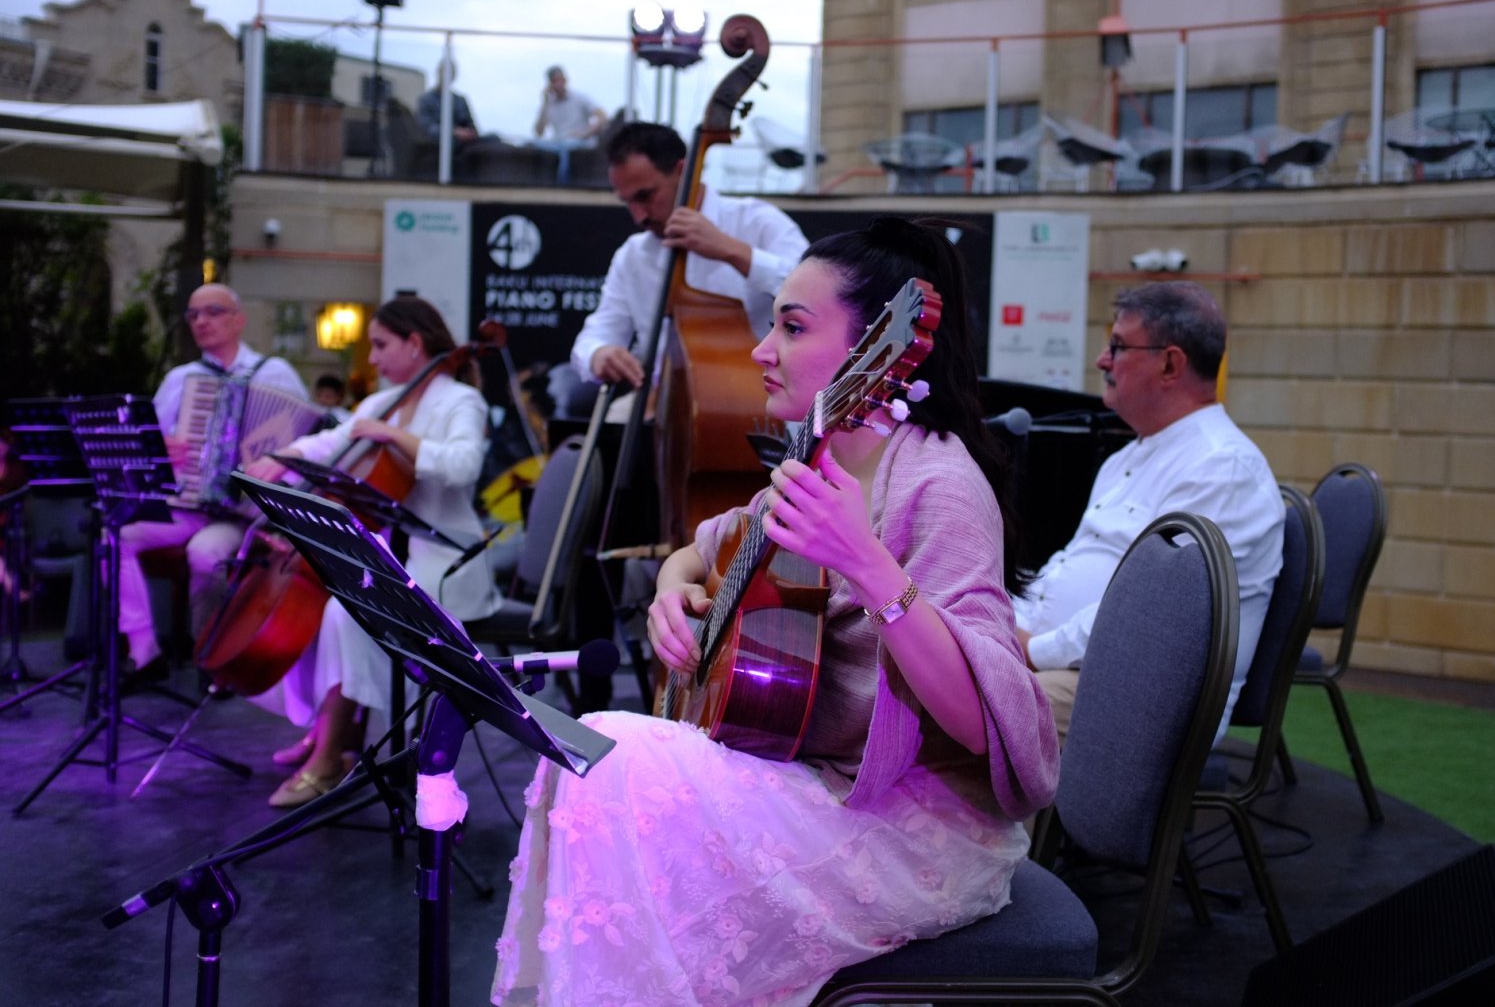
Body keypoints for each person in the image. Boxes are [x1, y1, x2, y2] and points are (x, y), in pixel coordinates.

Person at [492, 218, 1058, 1007]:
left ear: (877, 351)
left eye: (792, 327)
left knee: (614, 752)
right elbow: (701, 549)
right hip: (817, 785)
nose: (762, 350)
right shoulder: (815, 463)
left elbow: (982, 720)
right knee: (591, 757)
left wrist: (868, 562)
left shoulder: (941, 486)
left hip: (920, 831)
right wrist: (671, 592)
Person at [244, 296, 501, 807]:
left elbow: (463, 465)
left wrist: (394, 436)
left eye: (381, 345)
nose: (374, 358)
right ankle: (330, 734)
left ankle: (331, 753)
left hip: (445, 562)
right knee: (330, 598)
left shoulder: (461, 401)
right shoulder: (379, 403)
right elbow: (335, 442)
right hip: (391, 555)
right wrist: (283, 456)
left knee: (349, 610)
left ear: (414, 343)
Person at [1016, 280, 1284, 743]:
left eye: (1118, 346)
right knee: (930, 663)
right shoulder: (1131, 456)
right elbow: (1072, 568)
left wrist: (1033, 650)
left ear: (1170, 363)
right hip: (1077, 670)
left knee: (958, 704)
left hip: (1140, 701)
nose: (1102, 360)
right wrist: (1006, 620)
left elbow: (1144, 617)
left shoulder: (1222, 468)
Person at [117, 284, 306, 678]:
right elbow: (149, 449)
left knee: (205, 555)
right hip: (189, 504)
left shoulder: (276, 374)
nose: (201, 321)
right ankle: (144, 649)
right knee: (115, 536)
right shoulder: (180, 379)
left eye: (213, 312)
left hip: (245, 514)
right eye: (193, 315)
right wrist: (162, 452)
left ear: (239, 320)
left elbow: (303, 444)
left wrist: (274, 472)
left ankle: (209, 653)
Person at [568, 121, 810, 393]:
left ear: (683, 173)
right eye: (628, 202)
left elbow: (815, 297)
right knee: (610, 421)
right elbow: (596, 334)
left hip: (760, 398)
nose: (639, 216)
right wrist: (599, 353)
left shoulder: (758, 222)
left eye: (645, 196)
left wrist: (732, 250)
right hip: (662, 402)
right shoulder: (633, 255)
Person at [532, 65, 605, 185]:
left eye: (560, 80)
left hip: (578, 142)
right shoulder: (549, 104)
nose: (558, 84)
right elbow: (538, 132)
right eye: (554, 81)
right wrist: (545, 102)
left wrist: (585, 133)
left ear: (565, 80)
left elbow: (602, 117)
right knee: (533, 143)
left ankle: (563, 186)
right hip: (557, 142)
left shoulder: (580, 98)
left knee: (566, 151)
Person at [416, 60, 479, 145]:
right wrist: (454, 132)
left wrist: (468, 133)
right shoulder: (426, 100)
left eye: (451, 73)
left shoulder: (460, 101)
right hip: (439, 146)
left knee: (493, 140)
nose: (447, 76)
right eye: (444, 72)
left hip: (465, 145)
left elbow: (472, 128)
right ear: (438, 73)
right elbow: (426, 128)